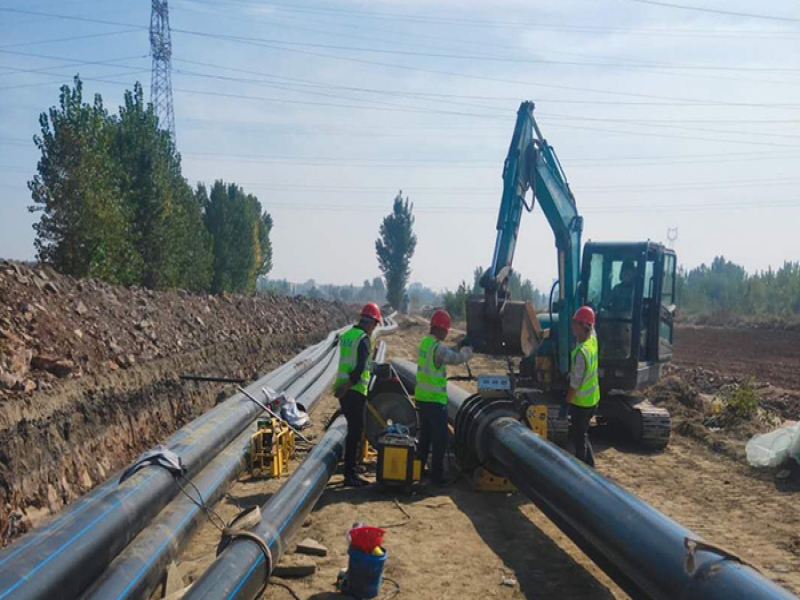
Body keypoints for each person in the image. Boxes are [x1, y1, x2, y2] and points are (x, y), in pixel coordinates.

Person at [415, 309, 473, 484]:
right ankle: (437, 477)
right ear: (441, 329)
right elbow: (455, 358)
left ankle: (418, 470)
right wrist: (469, 350)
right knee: (439, 440)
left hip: (422, 398)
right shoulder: (438, 348)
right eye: (447, 330)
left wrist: (459, 344)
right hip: (435, 401)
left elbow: (445, 352)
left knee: (424, 438)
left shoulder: (426, 343)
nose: (447, 333)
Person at [333, 302, 381, 487]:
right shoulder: (362, 339)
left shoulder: (348, 335)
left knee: (353, 431)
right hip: (353, 390)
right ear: (370, 323)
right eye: (375, 325)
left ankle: (350, 470)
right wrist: (348, 385)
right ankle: (349, 475)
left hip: (345, 391)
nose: (374, 330)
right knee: (355, 432)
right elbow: (359, 368)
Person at [567, 306, 601, 467]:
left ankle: (582, 469)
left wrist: (567, 402)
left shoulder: (581, 353)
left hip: (582, 403)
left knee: (578, 437)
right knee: (583, 434)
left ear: (583, 327)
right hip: (593, 400)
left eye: (575, 324)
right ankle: (590, 466)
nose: (572, 327)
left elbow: (576, 382)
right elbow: (592, 330)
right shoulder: (592, 340)